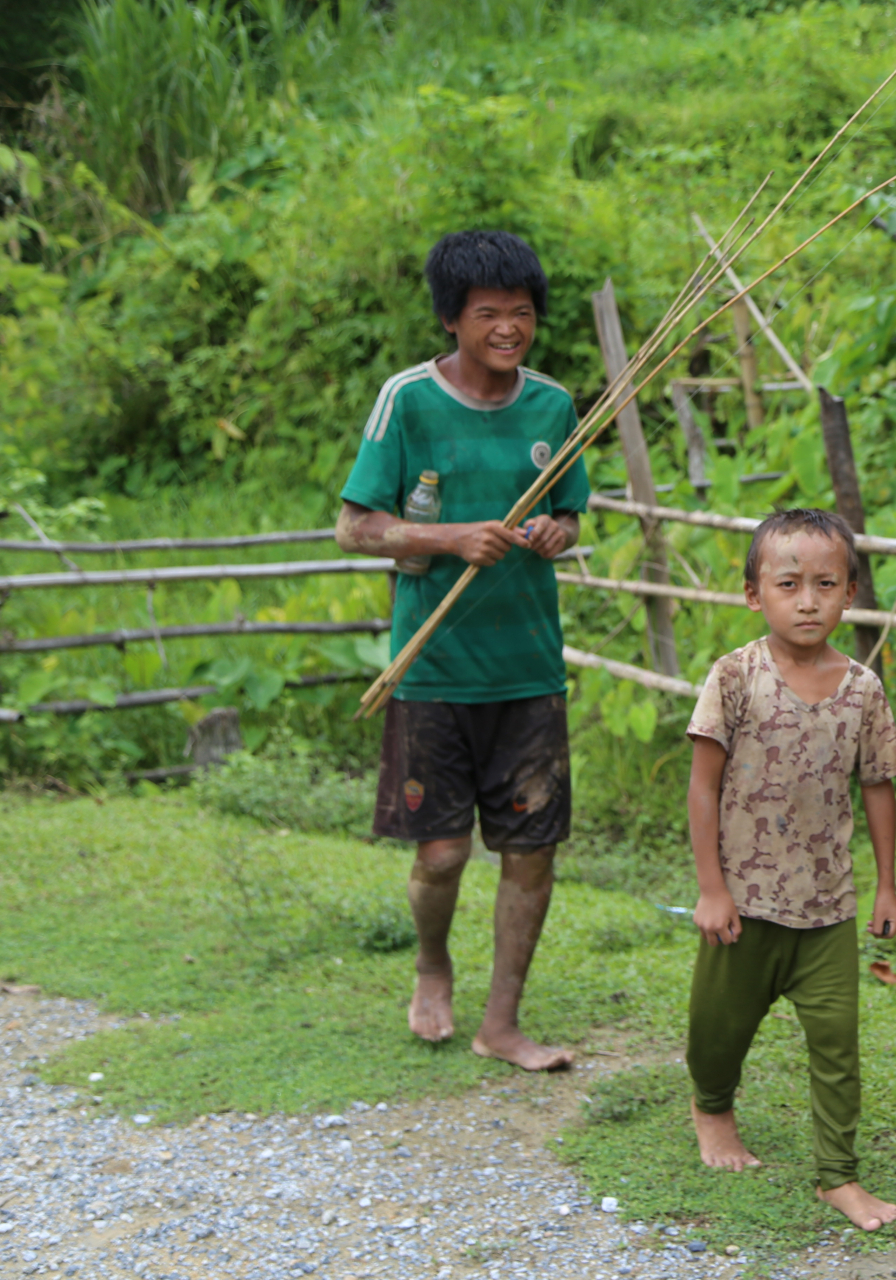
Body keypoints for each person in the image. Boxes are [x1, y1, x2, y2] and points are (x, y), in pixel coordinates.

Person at [334, 229, 586, 1072]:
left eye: (522, 314)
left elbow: (575, 514)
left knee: (531, 850)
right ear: (451, 318)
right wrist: (447, 537)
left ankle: (502, 1022)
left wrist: (557, 531)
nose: (508, 328)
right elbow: (354, 526)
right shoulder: (406, 400)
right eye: (488, 314)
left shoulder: (554, 405)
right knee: (441, 853)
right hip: (432, 668)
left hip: (529, 668)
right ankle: (432, 964)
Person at [684, 508, 896, 1233]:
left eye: (825, 584)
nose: (807, 600)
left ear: (849, 593)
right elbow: (703, 787)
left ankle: (837, 1175)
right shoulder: (735, 677)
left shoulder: (863, 691)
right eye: (789, 584)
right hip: (743, 904)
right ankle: (712, 1109)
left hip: (828, 908)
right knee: (718, 1028)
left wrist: (887, 884)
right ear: (755, 594)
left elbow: (877, 785)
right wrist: (712, 889)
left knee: (837, 1042)